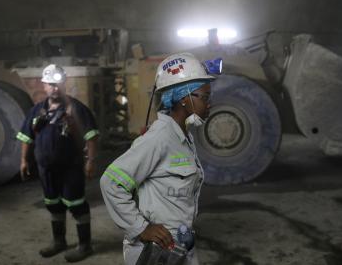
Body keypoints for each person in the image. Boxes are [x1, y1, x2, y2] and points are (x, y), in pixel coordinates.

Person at [100, 52, 219, 265]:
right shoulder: (159, 138)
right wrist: (141, 228)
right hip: (156, 252)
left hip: (180, 244)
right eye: (206, 97)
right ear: (185, 98)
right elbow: (111, 182)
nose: (210, 104)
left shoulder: (183, 137)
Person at [16, 64, 99, 263]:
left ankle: (85, 245)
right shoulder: (37, 110)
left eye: (58, 84)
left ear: (64, 84)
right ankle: (59, 241)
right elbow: (26, 137)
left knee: (77, 205)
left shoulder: (76, 108)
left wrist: (90, 161)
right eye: (50, 84)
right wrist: (23, 161)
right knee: (53, 204)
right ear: (44, 85)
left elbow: (92, 136)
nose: (54, 88)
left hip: (71, 167)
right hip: (46, 169)